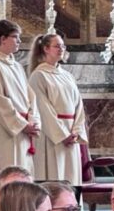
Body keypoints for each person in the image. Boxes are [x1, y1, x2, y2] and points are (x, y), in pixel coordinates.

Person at [0, 19, 40, 173]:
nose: (19, 41)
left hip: (23, 129)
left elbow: (30, 97)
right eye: (15, 36)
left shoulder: (17, 66)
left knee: (23, 174)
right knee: (6, 174)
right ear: (2, 39)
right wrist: (23, 124)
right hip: (3, 129)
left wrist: (33, 120)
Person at [28, 33, 87, 185]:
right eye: (57, 46)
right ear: (46, 49)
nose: (61, 49)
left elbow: (79, 106)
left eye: (63, 46)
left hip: (71, 134)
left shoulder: (67, 76)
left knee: (71, 178)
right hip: (52, 136)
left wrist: (76, 131)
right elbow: (42, 108)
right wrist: (62, 135)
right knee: (54, 176)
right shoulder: (39, 76)